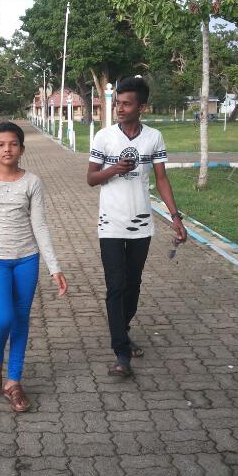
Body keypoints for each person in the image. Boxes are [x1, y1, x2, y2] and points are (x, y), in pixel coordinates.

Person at [0, 121, 67, 412]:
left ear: (22, 149)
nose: (7, 149)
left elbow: (40, 226)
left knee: (21, 320)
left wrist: (54, 267)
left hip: (27, 259)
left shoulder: (32, 182)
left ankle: (14, 382)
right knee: (4, 318)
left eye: (13, 144)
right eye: (1, 145)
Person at [87, 76, 187, 377]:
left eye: (127, 104)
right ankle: (121, 352)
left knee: (133, 285)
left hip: (141, 223)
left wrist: (175, 217)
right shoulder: (104, 137)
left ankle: (123, 330)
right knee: (116, 286)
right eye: (118, 103)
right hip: (110, 224)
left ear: (141, 107)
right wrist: (114, 169)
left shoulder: (153, 138)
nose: (119, 108)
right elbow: (91, 178)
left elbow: (161, 179)